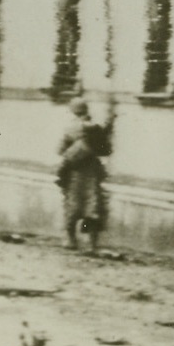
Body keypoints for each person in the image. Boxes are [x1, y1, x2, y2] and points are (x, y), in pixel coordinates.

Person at [57, 98, 113, 252]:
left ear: (73, 111)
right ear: (86, 110)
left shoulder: (70, 128)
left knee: (72, 206)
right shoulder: (95, 128)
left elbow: (60, 149)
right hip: (92, 173)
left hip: (74, 172)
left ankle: (70, 239)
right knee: (92, 208)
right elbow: (106, 150)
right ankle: (90, 243)